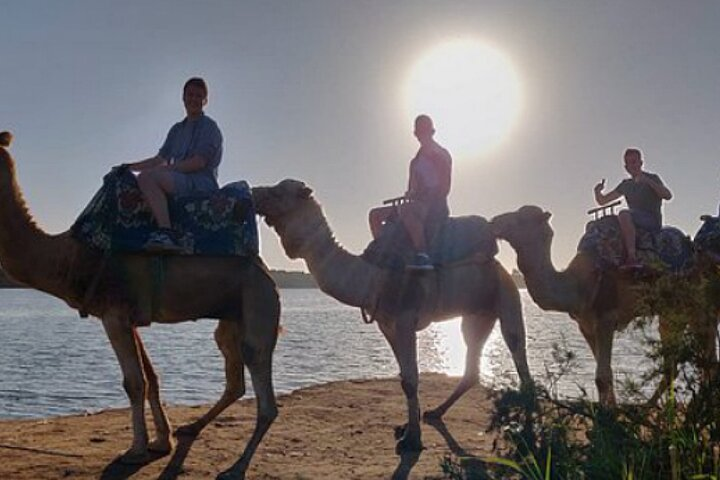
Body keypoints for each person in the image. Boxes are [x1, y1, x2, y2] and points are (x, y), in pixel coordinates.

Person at [121, 77, 223, 252]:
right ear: (183, 98)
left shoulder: (209, 127)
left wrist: (162, 170)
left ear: (205, 100)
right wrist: (129, 167)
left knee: (148, 178)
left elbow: (198, 162)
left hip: (200, 183)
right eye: (190, 95)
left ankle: (167, 233)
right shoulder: (176, 130)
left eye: (199, 96)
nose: (194, 99)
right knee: (135, 181)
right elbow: (159, 159)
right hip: (177, 179)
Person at [368, 114, 452, 271]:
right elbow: (411, 189)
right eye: (419, 131)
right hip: (416, 205)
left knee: (407, 210)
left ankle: (423, 255)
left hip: (435, 206)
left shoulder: (441, 155)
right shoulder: (415, 162)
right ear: (415, 134)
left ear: (432, 132)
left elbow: (445, 188)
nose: (422, 135)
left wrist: (423, 196)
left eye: (425, 130)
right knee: (375, 215)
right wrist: (410, 194)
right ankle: (384, 253)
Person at [593, 148, 672, 269]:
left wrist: (648, 182)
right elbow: (603, 201)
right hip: (633, 218)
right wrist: (597, 192)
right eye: (630, 163)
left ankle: (632, 257)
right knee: (607, 221)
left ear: (641, 163)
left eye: (635, 161)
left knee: (624, 214)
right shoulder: (626, 185)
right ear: (626, 167)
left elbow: (667, 195)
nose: (633, 165)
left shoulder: (652, 178)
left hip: (651, 219)